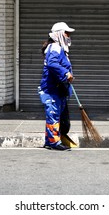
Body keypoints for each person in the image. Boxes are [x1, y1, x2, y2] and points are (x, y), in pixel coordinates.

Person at [38, 22, 75, 151]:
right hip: (51, 89)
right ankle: (54, 142)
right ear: (58, 34)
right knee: (53, 114)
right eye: (66, 33)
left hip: (58, 89)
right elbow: (52, 64)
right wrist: (66, 73)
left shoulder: (60, 48)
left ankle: (50, 140)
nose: (68, 35)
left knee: (55, 115)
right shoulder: (55, 47)